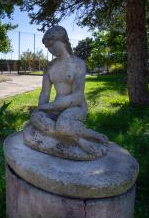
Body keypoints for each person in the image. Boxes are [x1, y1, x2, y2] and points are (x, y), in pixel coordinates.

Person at [30, 26, 108, 155]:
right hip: (56, 108)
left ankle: (89, 136)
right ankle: (77, 138)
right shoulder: (49, 67)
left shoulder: (78, 64)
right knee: (36, 117)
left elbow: (78, 96)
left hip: (76, 107)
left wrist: (49, 106)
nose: (50, 50)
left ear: (62, 41)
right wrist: (41, 109)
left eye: (51, 45)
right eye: (47, 47)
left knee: (62, 125)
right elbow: (44, 93)